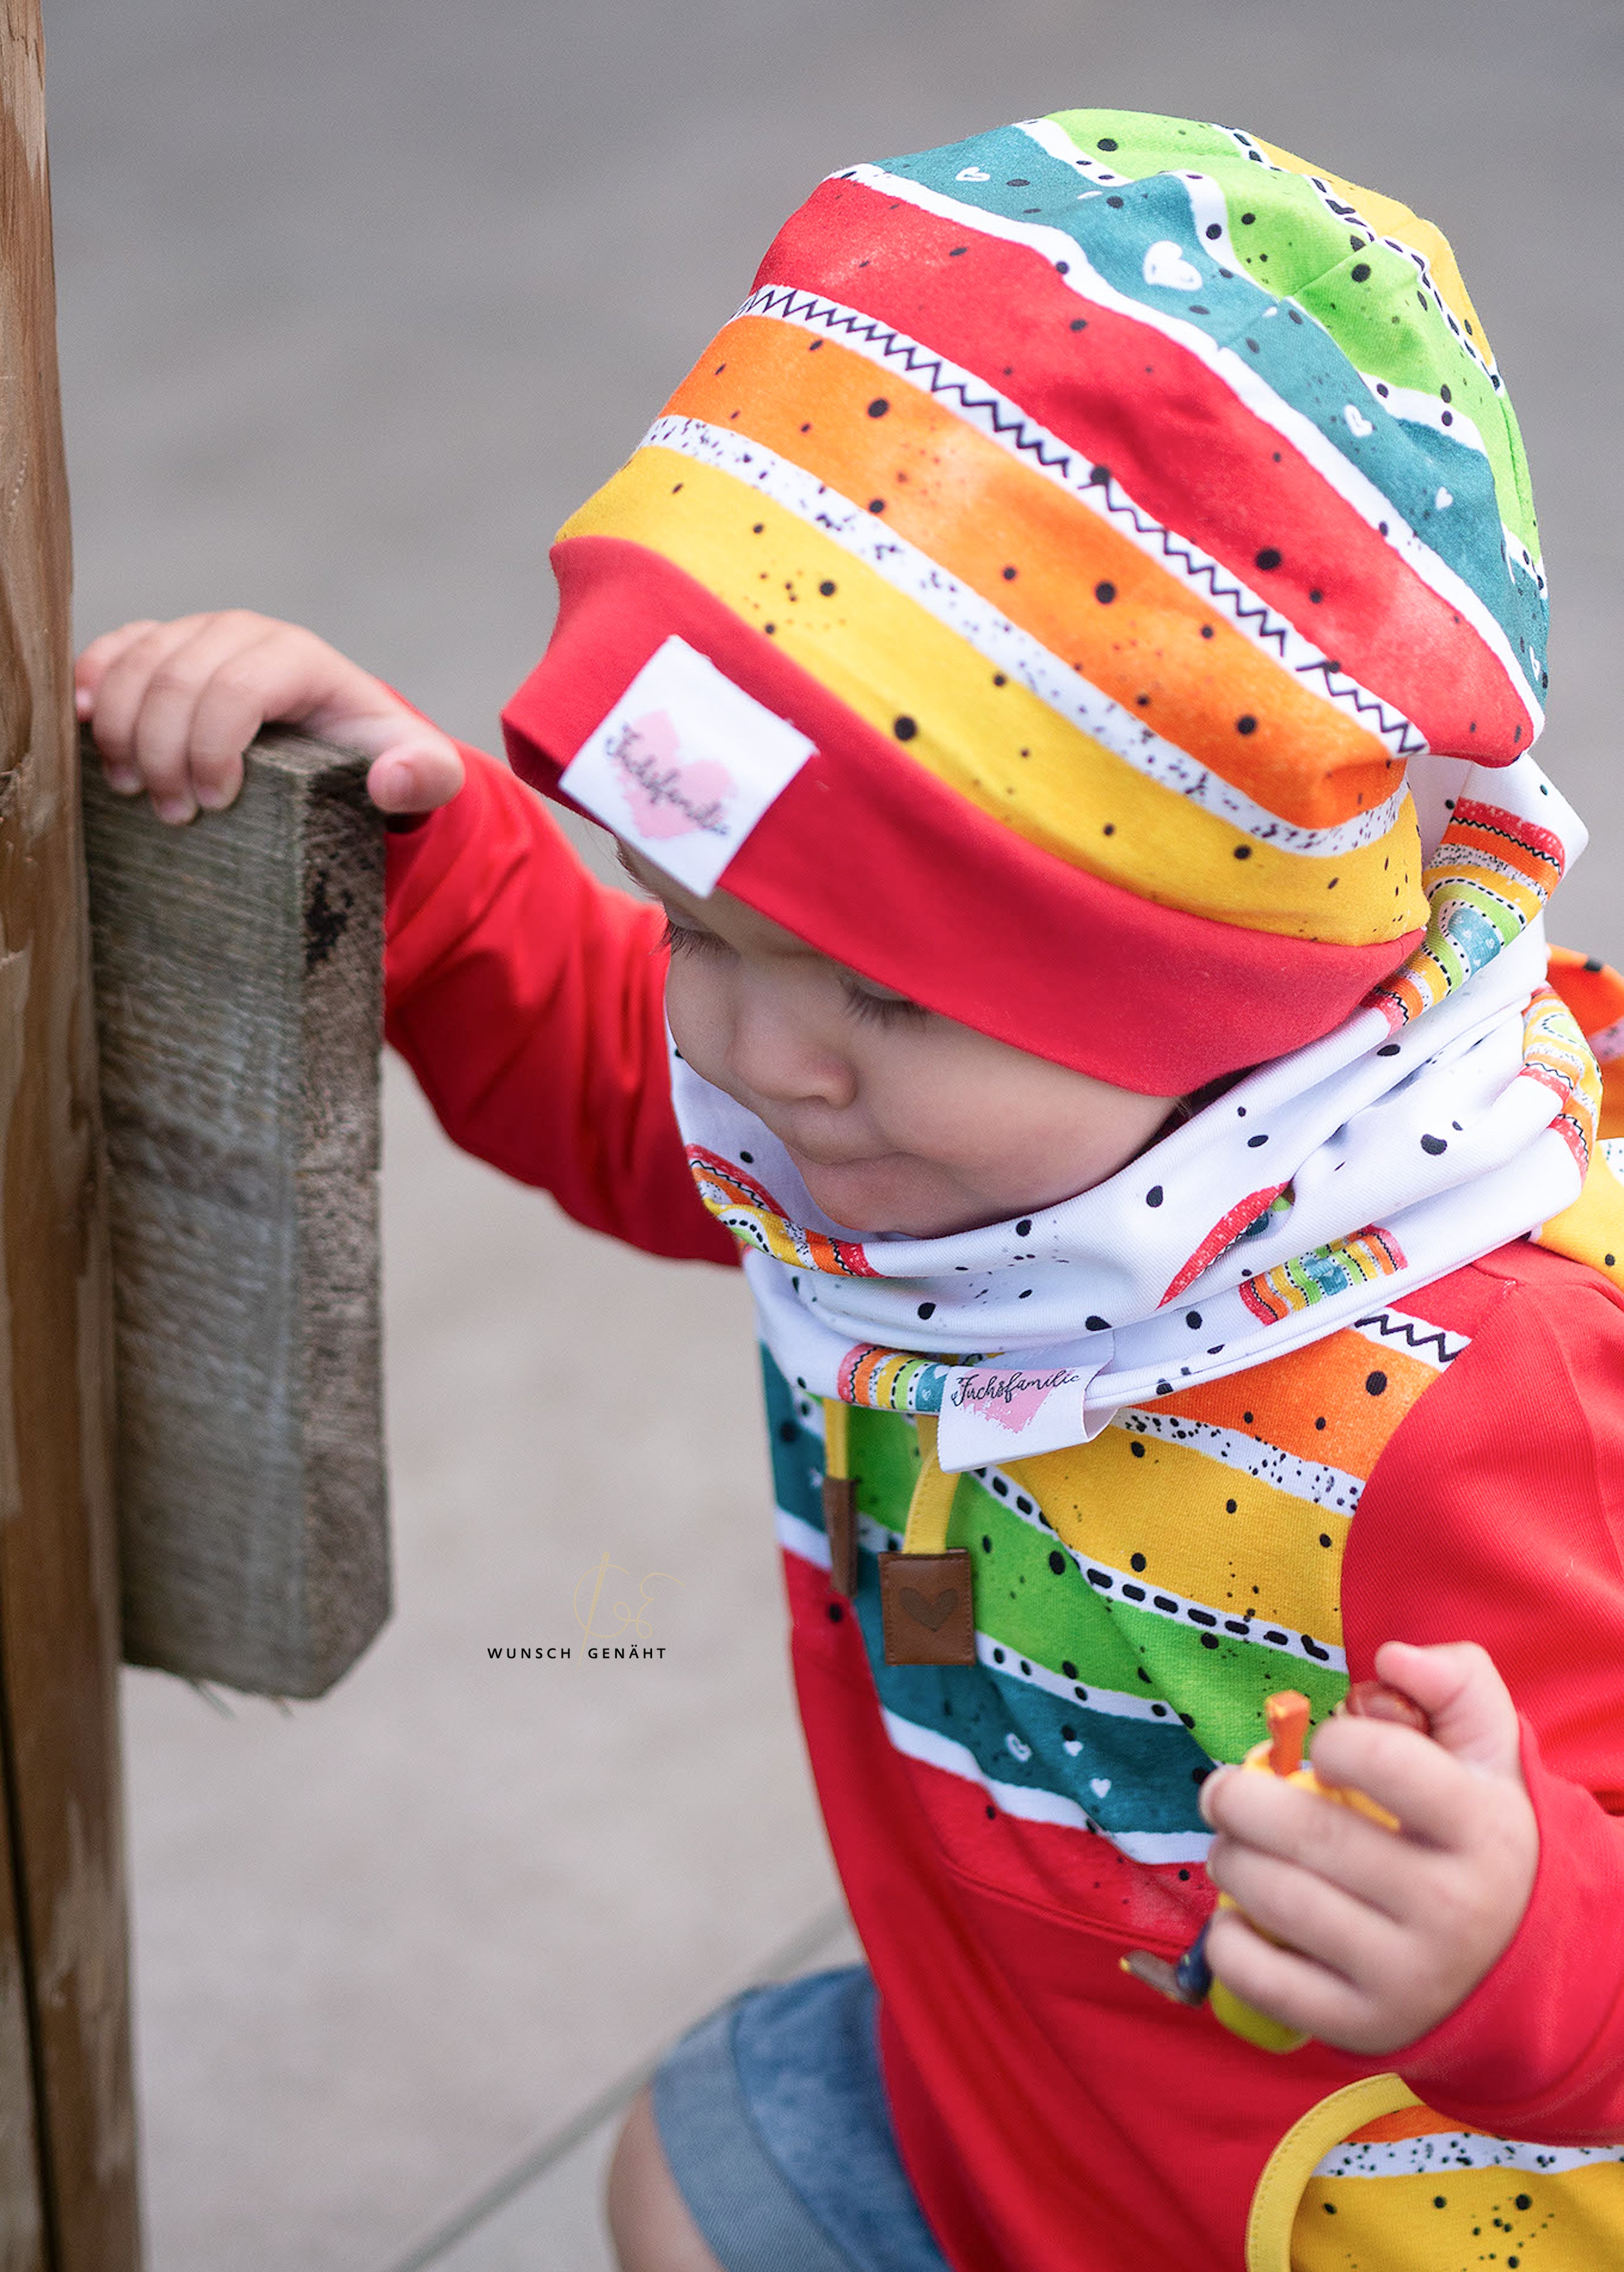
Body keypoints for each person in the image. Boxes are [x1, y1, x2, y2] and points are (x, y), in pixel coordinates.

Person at [77, 105, 1624, 2272]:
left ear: (1220, 975)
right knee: (704, 2167)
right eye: (698, 924)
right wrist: (414, 851)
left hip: (1322, 2217)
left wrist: (1533, 1949)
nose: (746, 1050)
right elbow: (645, 1099)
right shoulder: (919, 1149)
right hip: (1015, 2114)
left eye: (878, 994)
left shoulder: (1497, 1384)